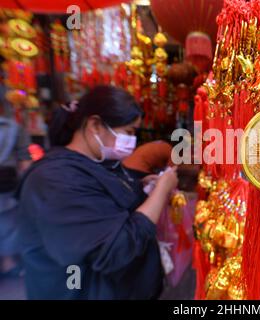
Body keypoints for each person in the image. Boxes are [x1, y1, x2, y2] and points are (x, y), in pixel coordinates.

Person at [16, 86, 178, 299]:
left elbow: (103, 202)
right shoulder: (55, 180)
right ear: (95, 126)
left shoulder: (97, 163)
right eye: (128, 132)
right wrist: (161, 191)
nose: (132, 141)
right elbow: (114, 248)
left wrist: (139, 186)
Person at [0, 102, 32, 276]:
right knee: (8, 222)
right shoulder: (14, 128)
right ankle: (8, 262)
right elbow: (25, 161)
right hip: (6, 182)